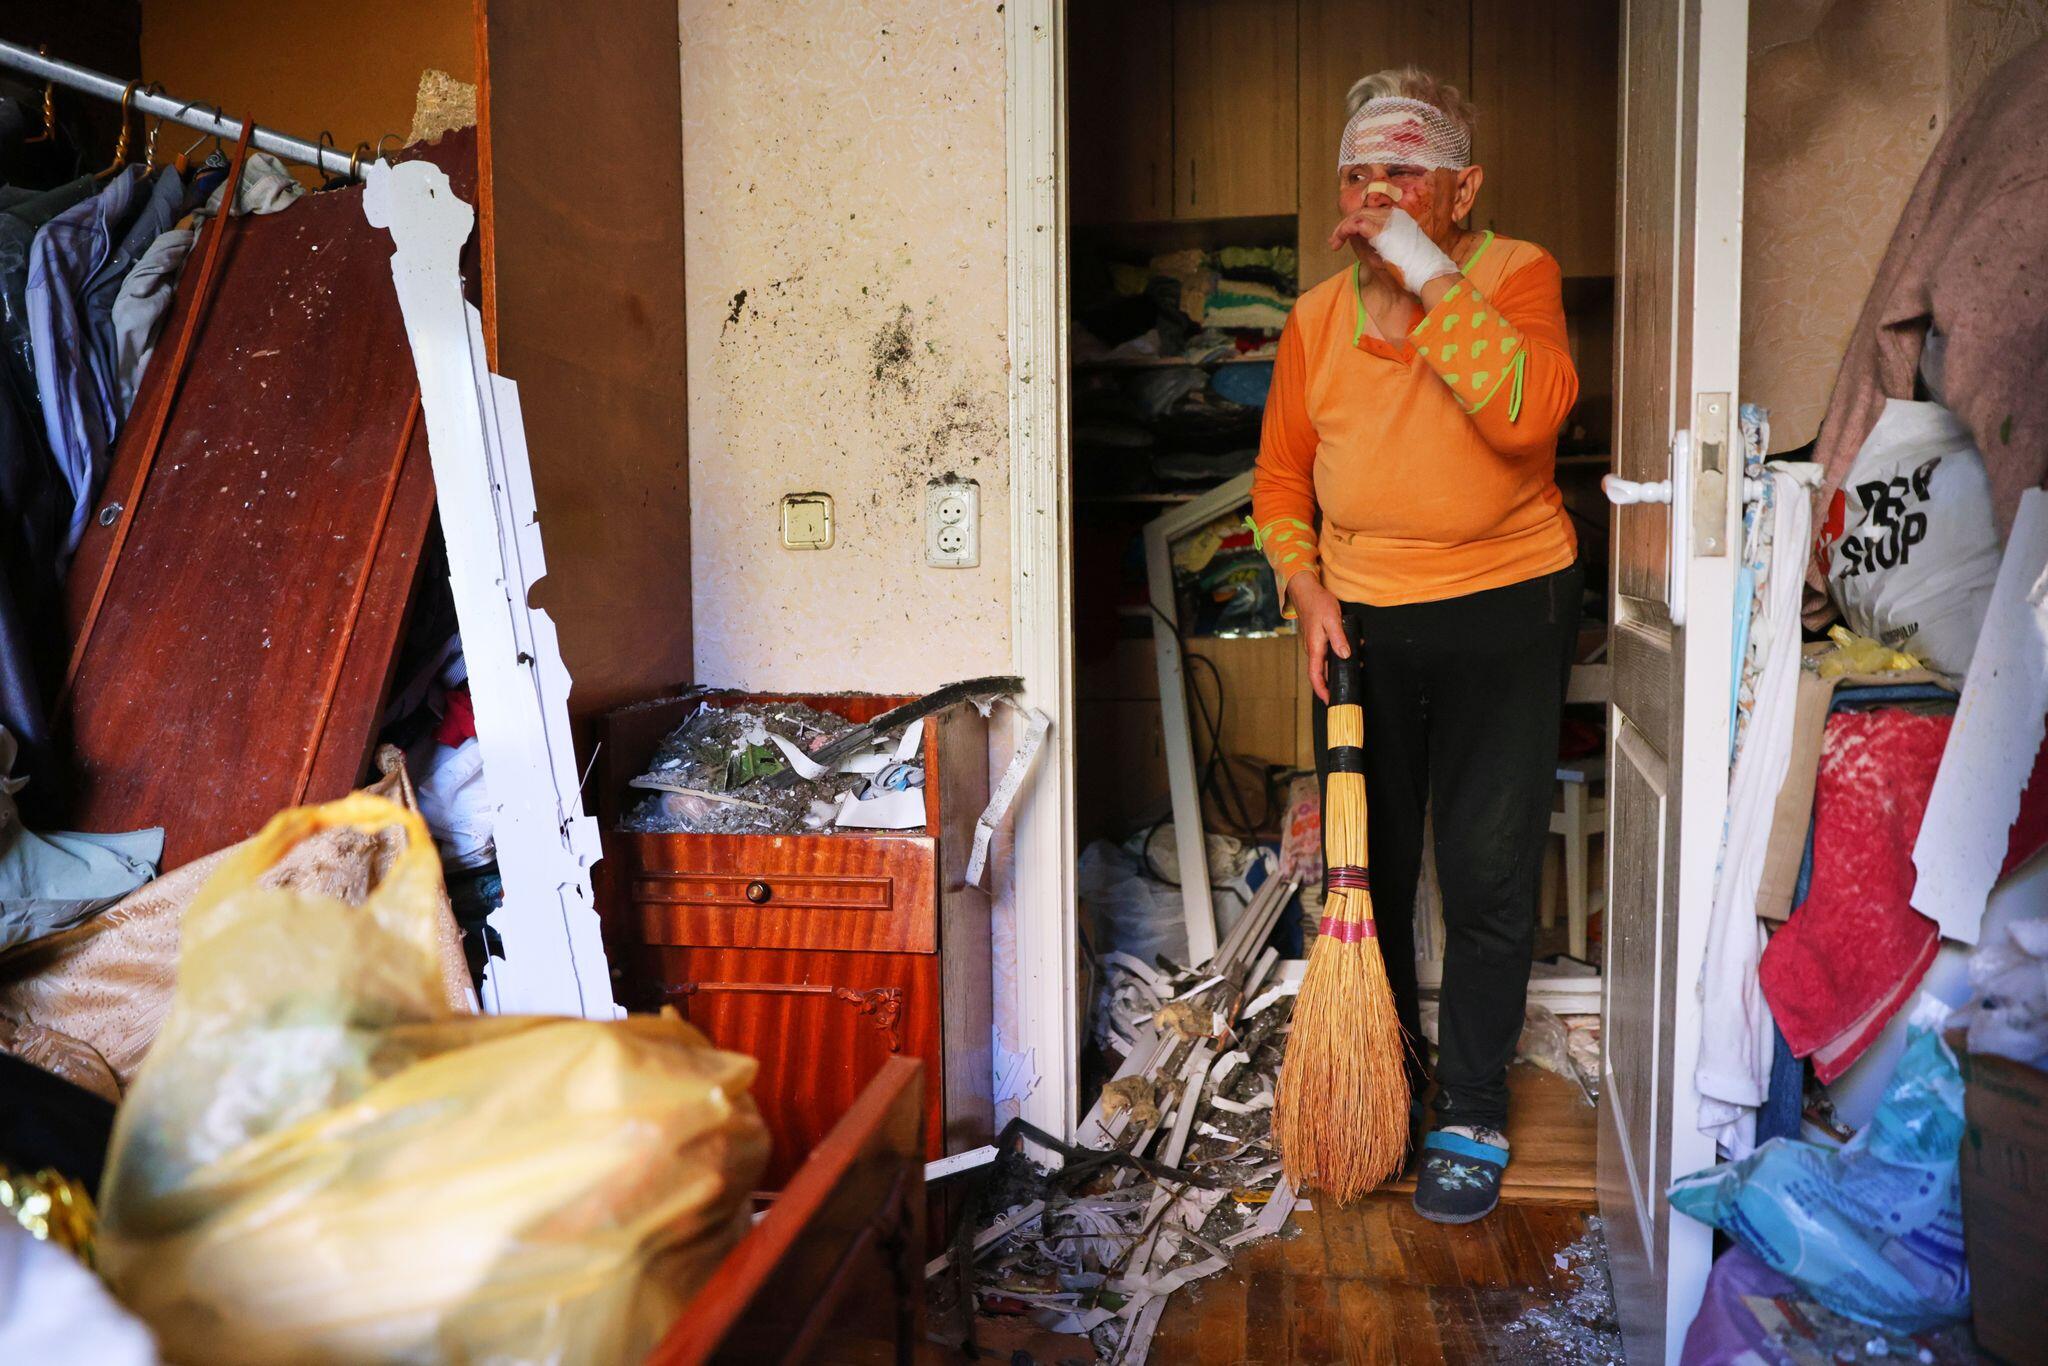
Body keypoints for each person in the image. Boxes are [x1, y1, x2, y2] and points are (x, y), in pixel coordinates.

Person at [1251, 67, 1583, 1224]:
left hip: (1507, 603)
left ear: (1462, 191)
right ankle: (1377, 1087)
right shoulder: (1313, 319)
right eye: (1355, 174)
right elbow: (1279, 481)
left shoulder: (1515, 274)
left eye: (1401, 172)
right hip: (1361, 621)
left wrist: (1423, 272)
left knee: (1486, 867)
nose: (1373, 192)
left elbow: (1523, 415)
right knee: (1367, 868)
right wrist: (1301, 584)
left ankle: (1472, 1104)